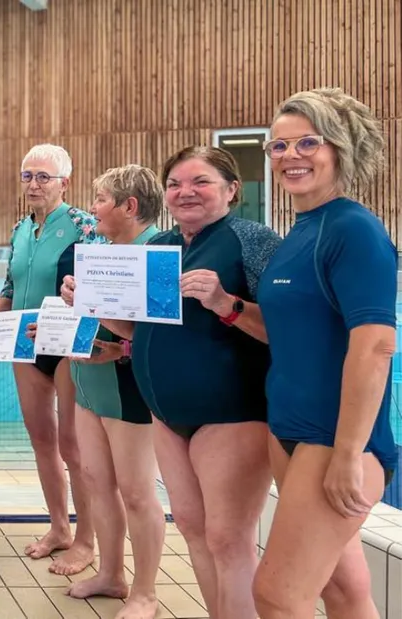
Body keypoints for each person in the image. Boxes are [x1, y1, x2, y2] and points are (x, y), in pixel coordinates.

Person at [93, 146, 280, 618]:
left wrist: (226, 303)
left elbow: (288, 329)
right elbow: (140, 328)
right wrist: (95, 306)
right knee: (194, 529)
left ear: (232, 190)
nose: (185, 192)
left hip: (230, 412)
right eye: (175, 184)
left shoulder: (252, 240)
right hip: (166, 414)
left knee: (228, 539)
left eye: (200, 182)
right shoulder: (162, 246)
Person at [253, 88, 398, 619]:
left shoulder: (353, 229)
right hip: (289, 429)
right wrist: (227, 307)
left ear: (340, 147)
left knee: (276, 596)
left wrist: (348, 452)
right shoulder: (300, 231)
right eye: (279, 146)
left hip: (333, 439)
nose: (290, 156)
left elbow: (376, 344)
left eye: (307, 143)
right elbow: (289, 331)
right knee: (343, 591)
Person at [0, 144, 99, 574]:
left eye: (44, 177)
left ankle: (87, 539)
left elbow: (96, 288)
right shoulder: (21, 229)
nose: (34, 184)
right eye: (28, 176)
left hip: (64, 342)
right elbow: (10, 287)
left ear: (65, 182)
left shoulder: (83, 225)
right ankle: (60, 528)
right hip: (24, 345)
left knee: (72, 445)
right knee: (42, 440)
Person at [52, 165, 167, 619]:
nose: (93, 208)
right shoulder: (101, 251)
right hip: (90, 385)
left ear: (129, 206)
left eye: (100, 199)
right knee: (97, 481)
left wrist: (117, 346)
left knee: (137, 492)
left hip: (130, 388)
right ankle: (112, 574)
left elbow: (160, 332)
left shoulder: (158, 251)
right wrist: (68, 306)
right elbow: (93, 315)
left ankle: (146, 592)